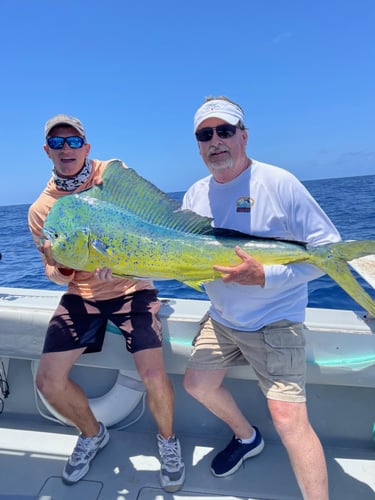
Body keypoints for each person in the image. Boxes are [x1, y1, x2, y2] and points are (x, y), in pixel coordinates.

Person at [182, 96, 340, 500]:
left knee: (288, 419)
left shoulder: (279, 183)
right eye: (205, 134)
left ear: (244, 136)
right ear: (198, 144)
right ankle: (246, 437)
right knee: (197, 384)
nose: (215, 141)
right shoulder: (194, 196)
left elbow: (329, 254)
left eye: (225, 131)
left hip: (276, 321)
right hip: (222, 320)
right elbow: (178, 262)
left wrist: (265, 277)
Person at [28, 114, 185, 492]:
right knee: (48, 382)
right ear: (47, 150)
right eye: (57, 143)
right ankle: (92, 433)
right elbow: (50, 269)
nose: (66, 149)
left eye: (73, 141)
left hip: (133, 288)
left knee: (153, 375)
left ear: (86, 146)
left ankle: (168, 443)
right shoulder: (40, 209)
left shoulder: (110, 174)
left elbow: (149, 220)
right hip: (82, 295)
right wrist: (66, 269)